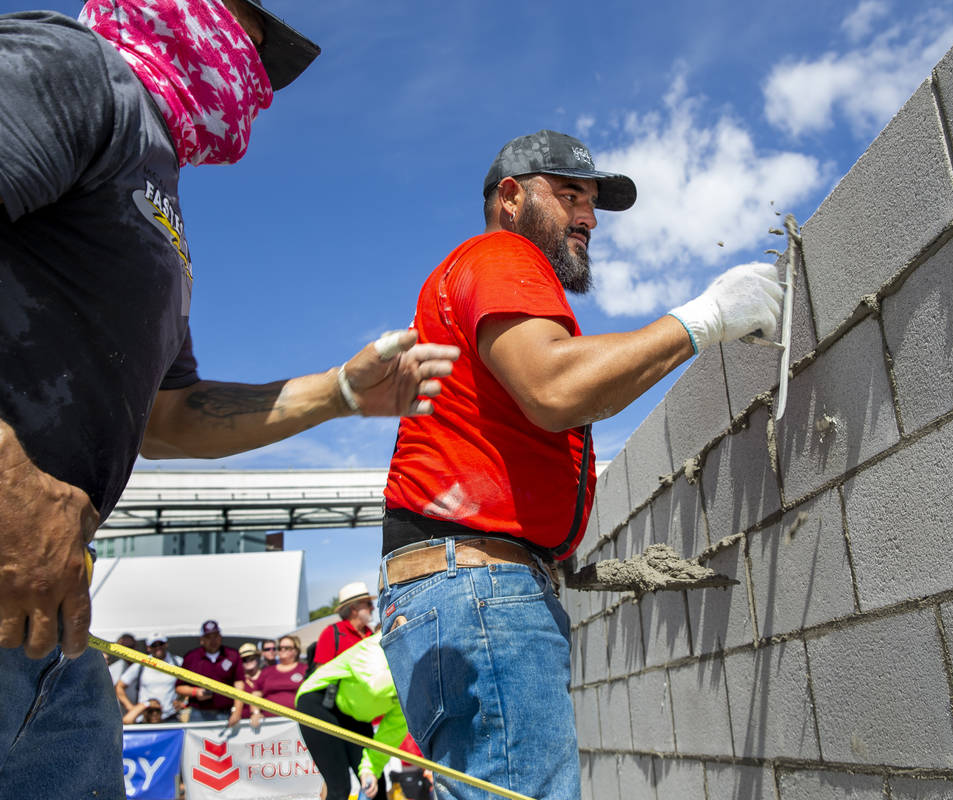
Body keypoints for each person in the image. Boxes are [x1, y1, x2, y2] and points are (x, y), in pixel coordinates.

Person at [0, 0, 459, 793]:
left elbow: (169, 419)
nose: (255, 64)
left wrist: (340, 393)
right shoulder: (77, 70)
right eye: (248, 24)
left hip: (47, 607)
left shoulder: (164, 215)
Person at [377, 129, 783, 800]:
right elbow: (556, 389)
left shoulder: (475, 280)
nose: (588, 219)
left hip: (465, 587)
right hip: (479, 591)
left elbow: (506, 447)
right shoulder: (502, 254)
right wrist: (706, 318)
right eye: (569, 196)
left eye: (592, 204)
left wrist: (561, 562)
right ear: (510, 196)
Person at [294, 634, 405, 800]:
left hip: (356, 718)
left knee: (376, 788)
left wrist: (371, 769)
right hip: (319, 702)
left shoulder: (413, 687)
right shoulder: (374, 646)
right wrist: (414, 680)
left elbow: (392, 732)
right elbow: (376, 685)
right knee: (339, 787)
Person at [177, 620, 242, 722]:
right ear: (202, 639)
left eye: (215, 636)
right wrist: (196, 692)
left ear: (220, 637)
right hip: (198, 713)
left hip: (225, 712)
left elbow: (239, 684)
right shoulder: (192, 657)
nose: (213, 641)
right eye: (208, 637)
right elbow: (179, 687)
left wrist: (237, 711)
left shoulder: (232, 655)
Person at [117, 633, 183, 723]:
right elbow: (119, 686)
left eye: (161, 644)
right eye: (154, 645)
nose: (158, 647)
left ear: (166, 644)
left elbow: (193, 685)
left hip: (170, 717)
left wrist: (183, 701)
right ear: (148, 647)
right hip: (146, 718)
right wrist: (132, 708)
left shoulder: (178, 662)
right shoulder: (141, 663)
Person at [313, 582, 376, 665]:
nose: (373, 608)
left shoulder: (370, 633)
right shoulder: (331, 633)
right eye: (369, 604)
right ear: (354, 608)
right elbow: (321, 671)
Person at [228, 641, 265, 728]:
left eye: (252, 658)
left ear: (258, 658)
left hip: (264, 724)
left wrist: (256, 713)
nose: (248, 661)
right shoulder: (238, 681)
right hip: (241, 726)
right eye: (244, 659)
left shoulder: (266, 675)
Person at [107, 632, 140, 713]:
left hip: (143, 715)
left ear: (136, 647)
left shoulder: (145, 667)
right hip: (120, 715)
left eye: (130, 647)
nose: (127, 651)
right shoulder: (111, 670)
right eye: (124, 648)